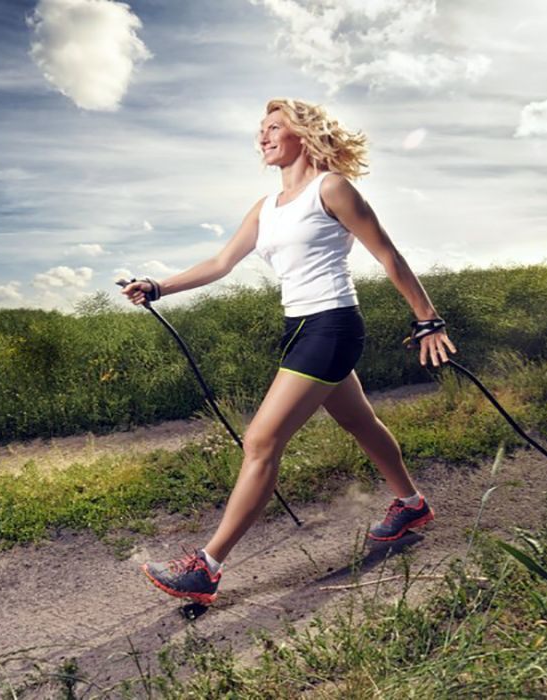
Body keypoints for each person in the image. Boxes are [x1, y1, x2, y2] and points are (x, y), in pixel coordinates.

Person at [119, 98, 457, 606]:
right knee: (360, 423)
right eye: (260, 129)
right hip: (299, 328)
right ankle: (410, 504)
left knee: (260, 441)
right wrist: (158, 286)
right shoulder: (266, 207)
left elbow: (387, 254)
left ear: (303, 133)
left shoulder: (333, 188)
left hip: (333, 326)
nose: (263, 137)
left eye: (274, 127)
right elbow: (221, 261)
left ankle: (205, 567)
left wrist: (427, 319)